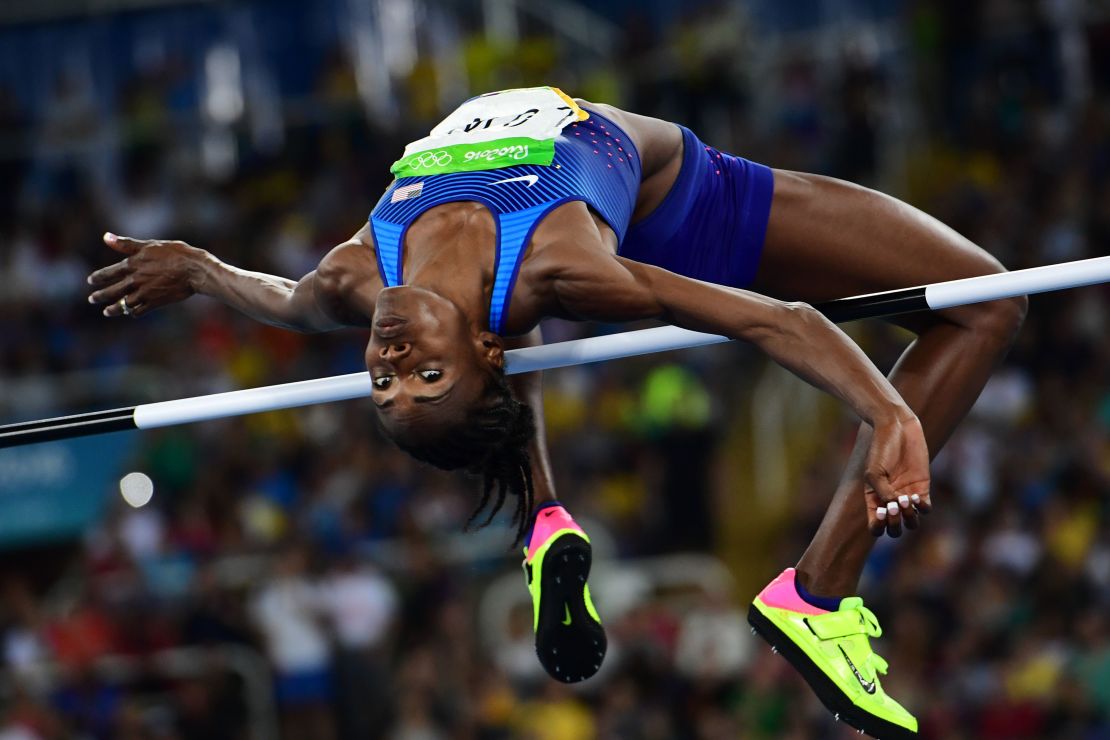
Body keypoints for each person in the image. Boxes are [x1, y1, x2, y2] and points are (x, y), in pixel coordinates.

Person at [86, 86, 1025, 738]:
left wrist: (202, 271)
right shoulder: (565, 267)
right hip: (695, 206)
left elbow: (274, 299)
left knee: (490, 303)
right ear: (481, 359)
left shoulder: (351, 277)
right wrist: (891, 415)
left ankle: (544, 521)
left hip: (554, 245)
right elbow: (774, 322)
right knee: (990, 299)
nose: (392, 367)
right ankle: (818, 592)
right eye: (422, 383)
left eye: (383, 386)